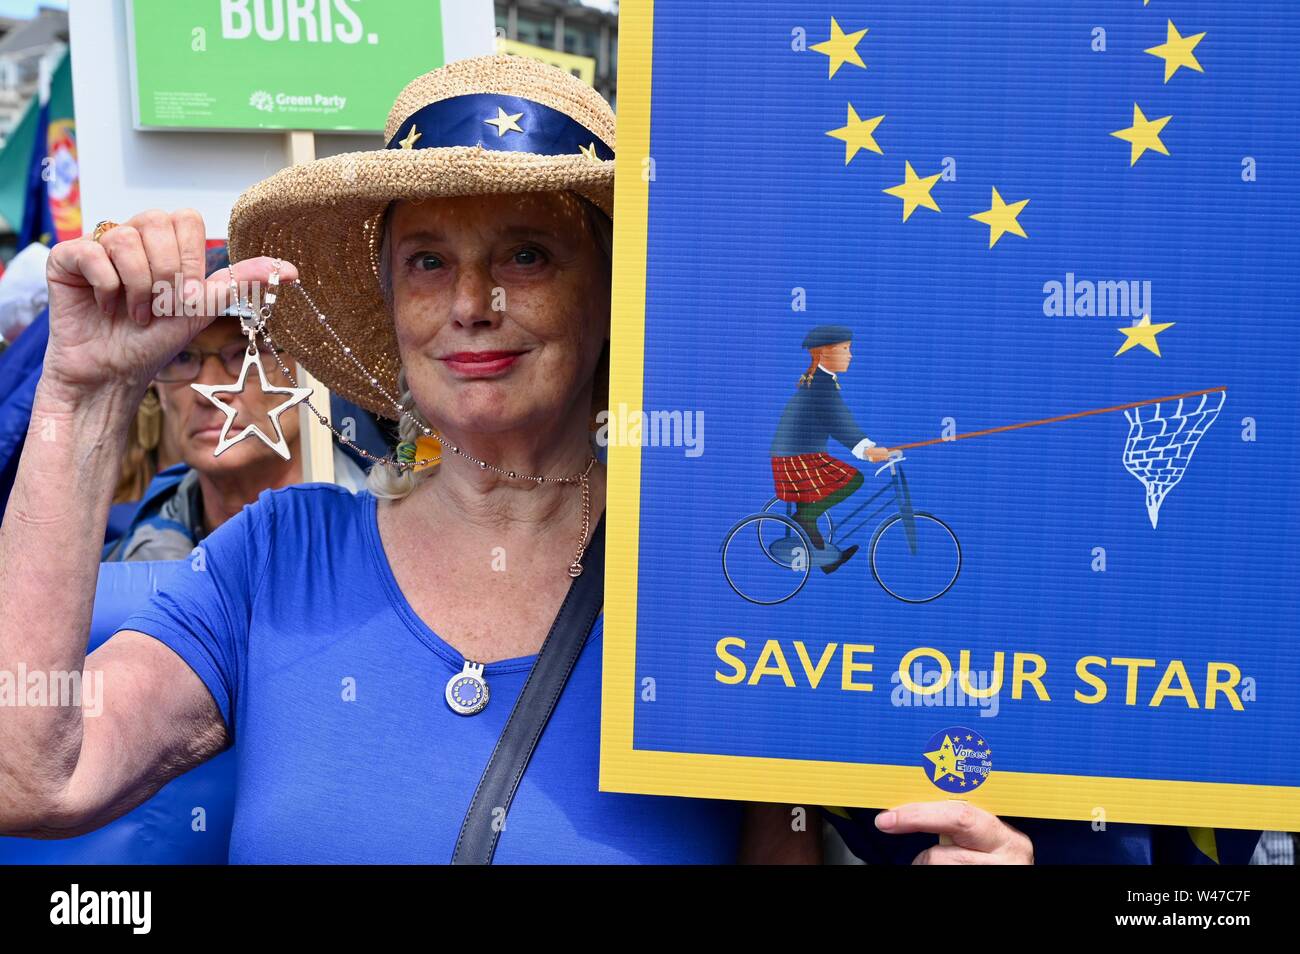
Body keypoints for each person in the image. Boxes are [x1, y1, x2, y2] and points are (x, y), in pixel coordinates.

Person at [0, 55, 1031, 863]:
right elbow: (32, 779)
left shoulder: (720, 588)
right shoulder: (275, 561)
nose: (470, 301)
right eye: (428, 260)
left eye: (526, 253)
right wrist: (81, 397)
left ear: (613, 289)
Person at [104, 249, 366, 562]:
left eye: (245, 352)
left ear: (313, 371)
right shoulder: (120, 566)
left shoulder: (387, 538)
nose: (209, 391)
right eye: (182, 357)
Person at [770, 325, 891, 574]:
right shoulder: (821, 387)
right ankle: (806, 519)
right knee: (853, 479)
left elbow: (839, 419)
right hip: (797, 456)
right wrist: (867, 450)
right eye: (845, 349)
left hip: (797, 453)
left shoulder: (821, 381)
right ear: (825, 353)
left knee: (812, 501)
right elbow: (838, 422)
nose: (850, 355)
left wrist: (868, 447)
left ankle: (826, 559)